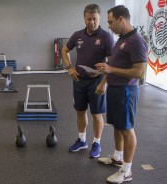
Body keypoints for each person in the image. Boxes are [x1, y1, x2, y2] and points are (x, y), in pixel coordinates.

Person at [95, 5, 148, 183]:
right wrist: (105, 80)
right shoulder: (120, 39)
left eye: (110, 22)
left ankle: (127, 170)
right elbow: (116, 64)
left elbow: (139, 73)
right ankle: (118, 158)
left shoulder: (136, 41)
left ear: (121, 19)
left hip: (126, 91)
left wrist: (110, 69)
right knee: (117, 126)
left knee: (127, 129)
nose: (108, 26)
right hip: (115, 89)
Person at [61, 4, 114, 158]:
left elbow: (112, 62)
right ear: (84, 18)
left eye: (95, 19)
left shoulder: (106, 37)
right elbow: (65, 50)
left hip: (97, 80)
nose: (92, 22)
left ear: (99, 18)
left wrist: (105, 82)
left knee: (97, 114)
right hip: (79, 80)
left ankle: (96, 143)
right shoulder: (78, 35)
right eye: (89, 19)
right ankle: (82, 140)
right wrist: (69, 67)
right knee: (80, 110)